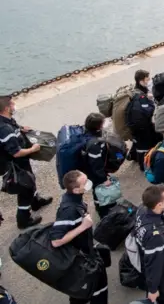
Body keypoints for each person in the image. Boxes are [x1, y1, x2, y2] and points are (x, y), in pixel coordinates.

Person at [50, 171, 108, 304]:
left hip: (85, 251)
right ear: (76, 190)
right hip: (81, 259)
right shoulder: (68, 210)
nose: (88, 184)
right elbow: (56, 241)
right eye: (85, 183)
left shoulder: (74, 199)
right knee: (91, 291)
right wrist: (83, 226)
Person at [0, 95, 52, 229]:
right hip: (15, 164)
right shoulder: (5, 129)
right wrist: (32, 149)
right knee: (25, 188)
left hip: (21, 162)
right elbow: (16, 152)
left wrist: (21, 128)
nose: (14, 105)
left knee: (31, 179)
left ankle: (36, 201)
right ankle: (23, 219)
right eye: (12, 104)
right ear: (6, 108)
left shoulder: (6, 120)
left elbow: (14, 126)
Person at [136, 184, 164, 304]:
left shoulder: (142, 209)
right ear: (159, 205)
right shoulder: (155, 235)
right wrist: (153, 289)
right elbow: (154, 264)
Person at [82, 113, 117, 219]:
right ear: (98, 126)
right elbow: (96, 165)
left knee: (97, 189)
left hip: (88, 168)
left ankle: (101, 206)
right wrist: (103, 179)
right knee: (99, 189)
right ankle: (103, 212)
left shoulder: (86, 133)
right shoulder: (95, 145)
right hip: (93, 173)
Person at [128, 70, 163, 172]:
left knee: (146, 142)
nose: (149, 81)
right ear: (141, 81)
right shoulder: (141, 97)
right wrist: (151, 101)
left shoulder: (137, 91)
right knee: (143, 147)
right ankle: (143, 166)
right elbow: (148, 111)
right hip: (141, 127)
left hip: (139, 126)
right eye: (147, 79)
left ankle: (134, 156)